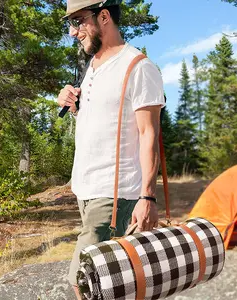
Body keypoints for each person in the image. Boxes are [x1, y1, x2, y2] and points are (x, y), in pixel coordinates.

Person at [57, 0, 165, 298]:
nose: (72, 32)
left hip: (116, 192)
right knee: (110, 280)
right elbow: (102, 121)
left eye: (78, 21)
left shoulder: (139, 67)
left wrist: (148, 196)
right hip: (85, 188)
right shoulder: (93, 66)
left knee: (82, 278)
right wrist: (74, 106)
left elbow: (148, 134)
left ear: (103, 16)